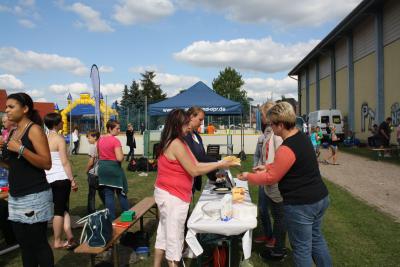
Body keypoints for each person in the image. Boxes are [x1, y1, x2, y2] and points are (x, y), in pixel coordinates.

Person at [238, 102, 332, 267]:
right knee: (317, 240)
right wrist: (267, 166)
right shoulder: (302, 137)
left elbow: (270, 178)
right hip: (320, 198)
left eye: (272, 124)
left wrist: (248, 176)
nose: (270, 127)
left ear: (280, 125)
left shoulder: (286, 147)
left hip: (302, 204)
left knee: (302, 248)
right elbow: (291, 165)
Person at [153, 109, 238, 267]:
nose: (189, 127)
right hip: (173, 197)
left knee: (164, 235)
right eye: (186, 124)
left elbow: (197, 164)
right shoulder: (176, 143)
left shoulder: (176, 141)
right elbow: (194, 170)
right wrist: (221, 163)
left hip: (169, 194)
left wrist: (219, 164)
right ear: (177, 125)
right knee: (174, 240)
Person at [0, 92, 54, 267]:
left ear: (25, 109)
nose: (6, 110)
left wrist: (21, 149)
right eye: (6, 107)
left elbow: (46, 163)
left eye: (11, 106)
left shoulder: (34, 129)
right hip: (15, 197)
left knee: (38, 245)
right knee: (24, 246)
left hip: (34, 196)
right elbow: (14, 166)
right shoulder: (14, 131)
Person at [255, 101, 287, 261]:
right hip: (269, 178)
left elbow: (280, 159)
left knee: (279, 216)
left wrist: (267, 170)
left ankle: (278, 248)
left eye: (262, 114)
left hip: (275, 181)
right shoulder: (268, 134)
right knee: (273, 213)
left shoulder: (276, 136)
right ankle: (275, 244)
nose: (261, 117)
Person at [44, 112, 78, 250]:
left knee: (63, 207)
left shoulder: (43, 138)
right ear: (57, 123)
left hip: (47, 179)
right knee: (59, 211)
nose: (64, 123)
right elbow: (64, 162)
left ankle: (69, 235)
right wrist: (72, 179)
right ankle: (57, 241)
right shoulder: (59, 139)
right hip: (60, 178)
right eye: (62, 122)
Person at [97, 120, 129, 220]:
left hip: (102, 169)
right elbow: (119, 158)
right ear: (110, 128)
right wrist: (122, 156)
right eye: (117, 128)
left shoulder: (100, 140)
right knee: (121, 193)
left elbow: (99, 155)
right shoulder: (115, 141)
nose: (119, 130)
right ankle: (127, 215)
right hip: (113, 169)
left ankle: (111, 219)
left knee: (108, 194)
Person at [184, 107, 217, 193]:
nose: (201, 123)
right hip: (184, 180)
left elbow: (203, 156)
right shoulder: (184, 135)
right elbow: (195, 157)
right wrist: (217, 163)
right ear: (191, 117)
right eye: (200, 119)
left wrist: (214, 177)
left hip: (194, 179)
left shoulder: (197, 135)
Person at [0, 114, 17, 250]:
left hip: (9, 174)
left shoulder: (15, 133)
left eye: (4, 121)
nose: (3, 123)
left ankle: (12, 237)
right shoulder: (6, 133)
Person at [85, 130, 104, 214]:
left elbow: (91, 162)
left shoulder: (93, 147)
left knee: (91, 194)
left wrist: (86, 170)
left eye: (89, 138)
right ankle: (109, 208)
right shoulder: (101, 145)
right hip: (100, 173)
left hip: (93, 174)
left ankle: (91, 212)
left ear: (95, 137)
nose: (88, 140)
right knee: (102, 192)